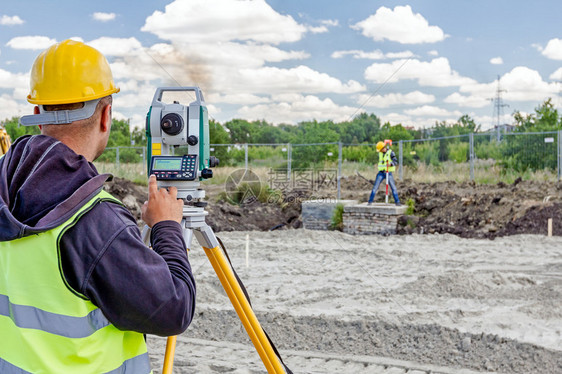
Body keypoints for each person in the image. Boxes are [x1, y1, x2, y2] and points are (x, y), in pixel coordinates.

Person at [0, 40, 195, 373]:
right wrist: (167, 227)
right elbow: (174, 308)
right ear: (107, 115)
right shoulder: (94, 219)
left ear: (37, 113)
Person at [367, 140, 401, 206]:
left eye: (380, 149)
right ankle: (370, 202)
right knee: (375, 187)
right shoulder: (380, 154)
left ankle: (397, 202)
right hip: (381, 173)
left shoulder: (391, 152)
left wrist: (391, 164)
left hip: (388, 173)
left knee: (393, 188)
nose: (379, 151)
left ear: (383, 148)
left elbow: (395, 161)